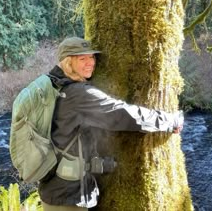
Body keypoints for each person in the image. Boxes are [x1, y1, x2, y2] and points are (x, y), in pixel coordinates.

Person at [38, 36, 184, 211]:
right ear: (68, 62)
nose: (90, 62)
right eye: (82, 58)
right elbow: (123, 114)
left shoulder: (51, 85)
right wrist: (170, 120)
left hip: (53, 187)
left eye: (92, 57)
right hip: (67, 197)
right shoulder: (79, 95)